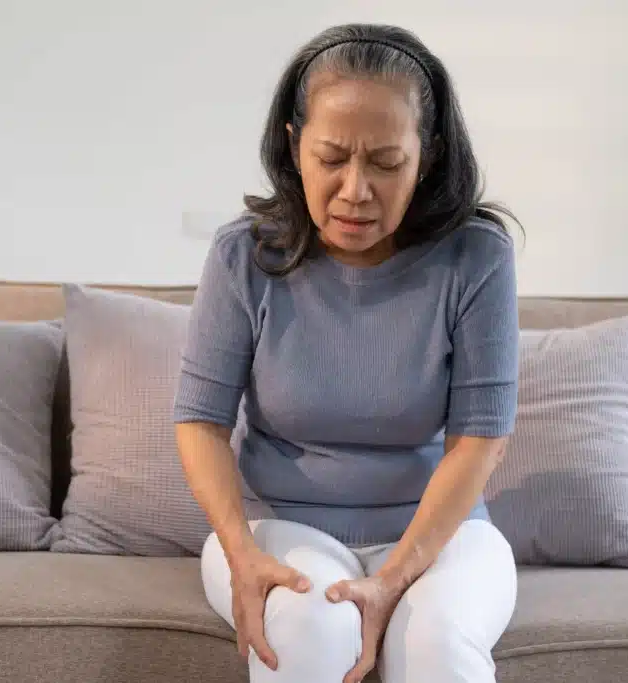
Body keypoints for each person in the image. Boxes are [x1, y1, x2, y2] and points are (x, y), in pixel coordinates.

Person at [173, 22, 522, 683]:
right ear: (293, 145)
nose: (356, 190)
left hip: (441, 535)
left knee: (437, 643)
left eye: (386, 163)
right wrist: (240, 550)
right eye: (332, 158)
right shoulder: (242, 256)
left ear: (429, 154)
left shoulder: (476, 257)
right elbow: (200, 421)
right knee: (311, 629)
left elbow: (481, 440)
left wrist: (394, 577)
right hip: (279, 527)